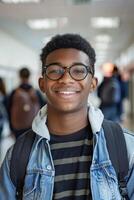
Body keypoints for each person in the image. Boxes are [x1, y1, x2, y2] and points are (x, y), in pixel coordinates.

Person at [0, 34, 134, 199]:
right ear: (42, 83)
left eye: (78, 70)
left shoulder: (125, 147)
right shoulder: (18, 155)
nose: (66, 79)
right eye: (55, 71)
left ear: (93, 83)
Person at [7, 67, 46, 139]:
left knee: (19, 146)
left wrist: (11, 127)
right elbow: (43, 108)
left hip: (17, 126)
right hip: (33, 125)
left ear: (19, 76)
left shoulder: (14, 92)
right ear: (29, 76)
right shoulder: (36, 92)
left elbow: (8, 109)